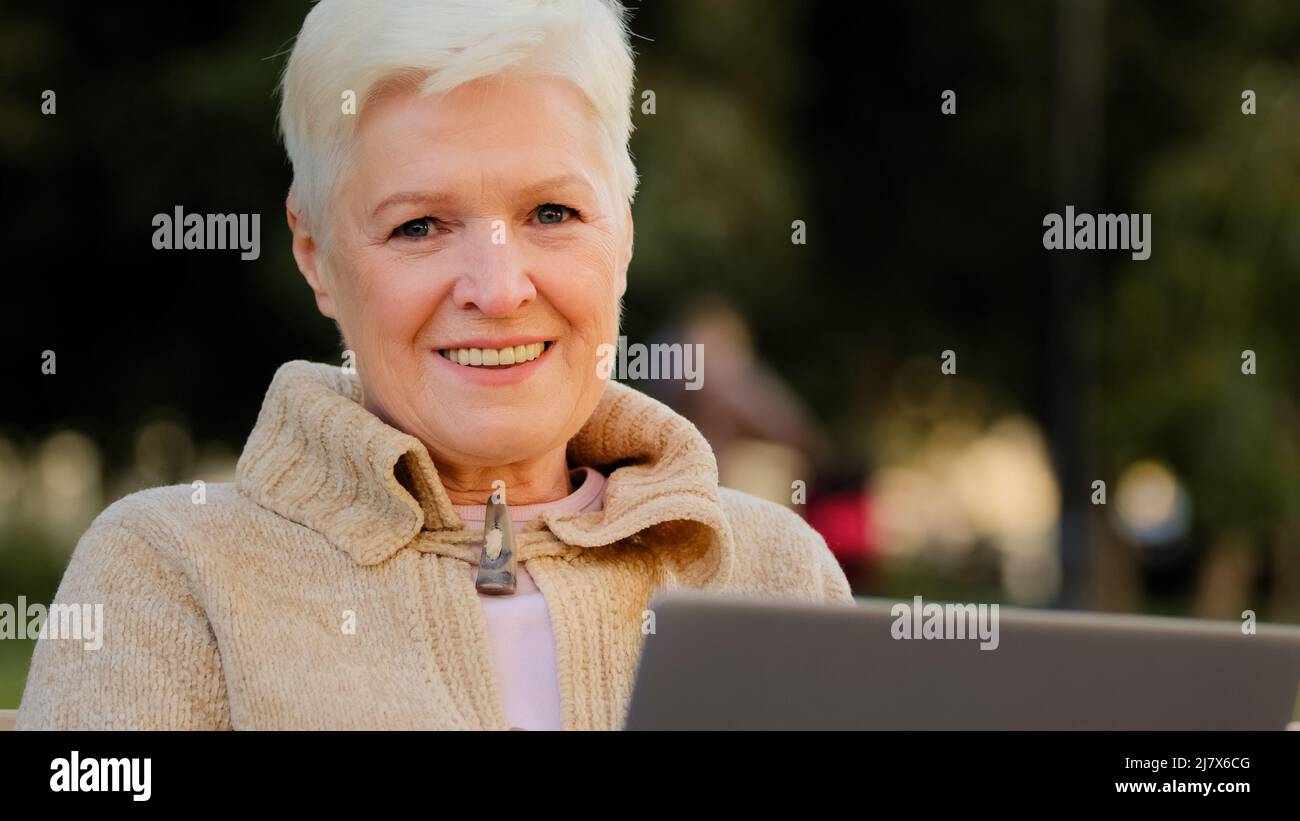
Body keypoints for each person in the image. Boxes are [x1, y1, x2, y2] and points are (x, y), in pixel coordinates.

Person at [16, 0, 853, 731]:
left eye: (552, 212)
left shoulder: (775, 574)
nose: (498, 289)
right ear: (315, 255)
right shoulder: (169, 569)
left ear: (623, 239)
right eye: (419, 226)